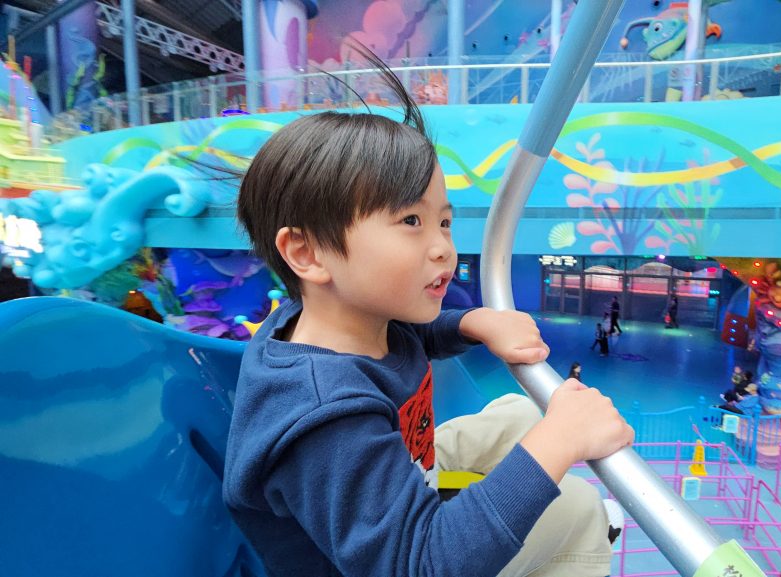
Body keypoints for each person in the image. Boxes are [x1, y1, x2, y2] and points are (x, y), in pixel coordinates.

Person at [223, 44, 634, 577]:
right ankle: (583, 533)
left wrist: (470, 323)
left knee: (519, 412)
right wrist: (562, 440)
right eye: (410, 222)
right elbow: (421, 564)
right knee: (575, 506)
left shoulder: (336, 317)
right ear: (308, 253)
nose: (443, 247)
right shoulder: (325, 419)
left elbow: (411, 336)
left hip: (406, 459)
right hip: (399, 555)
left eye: (443, 222)